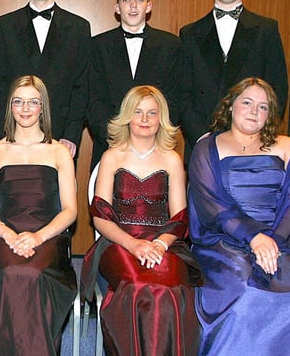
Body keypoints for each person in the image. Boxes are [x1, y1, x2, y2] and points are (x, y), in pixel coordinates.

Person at [188, 77, 290, 355]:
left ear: (270, 114)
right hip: (225, 242)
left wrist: (272, 242)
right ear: (230, 106)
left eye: (263, 107)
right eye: (247, 103)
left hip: (283, 241)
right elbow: (212, 206)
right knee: (248, 297)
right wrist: (253, 237)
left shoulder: (287, 147)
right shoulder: (206, 148)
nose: (253, 111)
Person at [81, 86, 203, 356]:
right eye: (138, 112)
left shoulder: (172, 159)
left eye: (152, 113)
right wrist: (133, 245)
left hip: (164, 243)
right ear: (127, 116)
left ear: (162, 118)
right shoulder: (111, 157)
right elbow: (100, 217)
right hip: (118, 242)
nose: (145, 119)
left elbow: (180, 218)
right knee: (137, 286)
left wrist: (159, 244)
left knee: (168, 286)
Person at [0, 75, 77, 355]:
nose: (25, 109)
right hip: (4, 233)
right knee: (8, 271)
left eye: (33, 102)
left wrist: (37, 236)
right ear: (10, 107)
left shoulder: (60, 152)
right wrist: (8, 234)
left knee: (33, 272)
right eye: (18, 102)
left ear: (43, 108)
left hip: (48, 235)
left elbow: (71, 211)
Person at [179, 0, 288, 158]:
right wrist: (202, 138)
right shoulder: (190, 33)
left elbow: (277, 89)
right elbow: (182, 94)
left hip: (253, 144)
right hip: (203, 143)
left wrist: (257, 137)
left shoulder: (266, 29)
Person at [0, 0, 91, 157]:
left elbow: (82, 86)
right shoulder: (5, 25)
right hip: (14, 134)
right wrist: (6, 131)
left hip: (60, 134)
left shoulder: (79, 27)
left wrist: (72, 134)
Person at [88, 0, 183, 169]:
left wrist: (150, 138)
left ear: (148, 7)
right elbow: (92, 100)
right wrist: (116, 138)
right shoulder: (97, 45)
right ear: (117, 7)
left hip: (156, 149)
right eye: (126, 0)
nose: (133, 5)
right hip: (110, 147)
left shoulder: (170, 45)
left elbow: (176, 98)